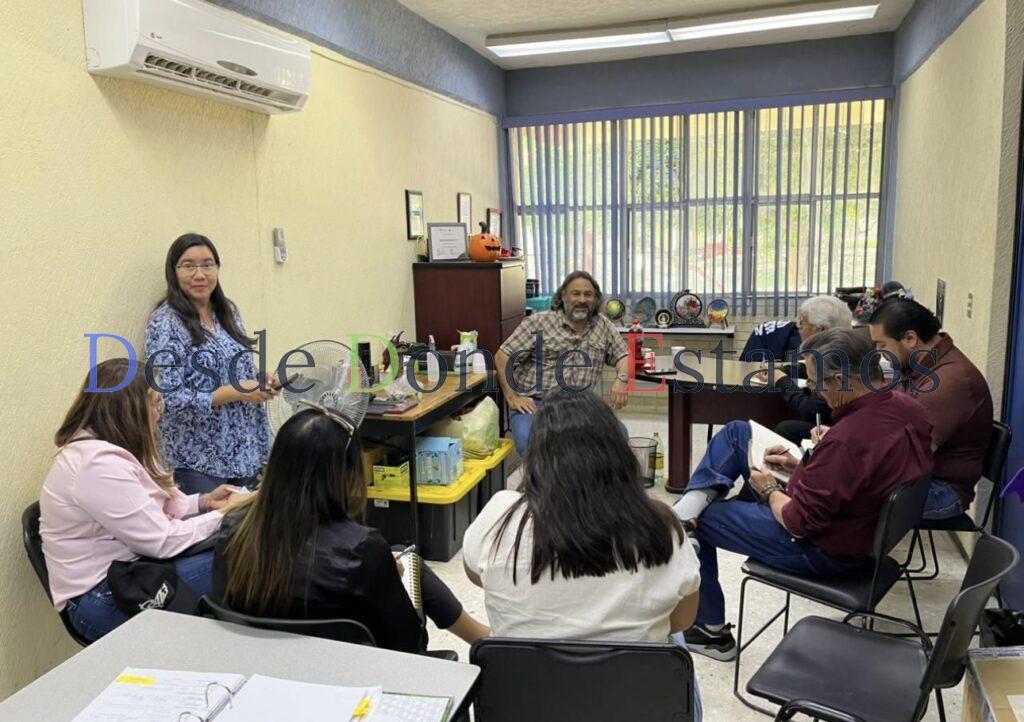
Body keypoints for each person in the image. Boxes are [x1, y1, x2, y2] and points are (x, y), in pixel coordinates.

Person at [677, 329, 933, 660]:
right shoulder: (905, 406)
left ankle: (710, 631)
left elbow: (799, 523)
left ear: (840, 378)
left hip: (822, 550)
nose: (811, 388)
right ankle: (685, 512)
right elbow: (860, 475)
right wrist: (802, 464)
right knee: (739, 432)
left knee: (704, 519)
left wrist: (769, 489)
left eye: (814, 380)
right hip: (859, 527)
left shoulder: (848, 440)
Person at [212, 407, 489, 653]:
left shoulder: (234, 528)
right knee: (409, 564)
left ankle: (479, 635)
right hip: (356, 679)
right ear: (344, 476)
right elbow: (407, 644)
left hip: (263, 669)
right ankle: (482, 637)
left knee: (404, 560)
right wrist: (388, 577)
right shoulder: (360, 550)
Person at [40, 359, 242, 642]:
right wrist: (225, 516)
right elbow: (161, 541)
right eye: (155, 402)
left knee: (242, 547)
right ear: (129, 411)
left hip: (134, 569)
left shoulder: (115, 446)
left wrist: (206, 502)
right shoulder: (95, 466)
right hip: (103, 598)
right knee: (243, 554)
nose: (161, 411)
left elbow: (155, 507)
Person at [145, 233, 277, 495]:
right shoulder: (165, 322)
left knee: (246, 533)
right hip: (197, 461)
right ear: (173, 272)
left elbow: (236, 368)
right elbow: (169, 399)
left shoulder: (227, 311)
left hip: (244, 450)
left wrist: (260, 379)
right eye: (188, 266)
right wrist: (238, 391)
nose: (199, 274)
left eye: (207, 264)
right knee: (212, 534)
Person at [868, 298, 993, 519]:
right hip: (923, 477)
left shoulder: (948, 382)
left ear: (910, 338)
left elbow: (903, 455)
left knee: (847, 495)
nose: (880, 354)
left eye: (882, 345)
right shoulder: (922, 365)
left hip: (942, 490)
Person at [495, 271, 630, 455]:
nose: (582, 299)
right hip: (537, 403)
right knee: (529, 440)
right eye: (576, 293)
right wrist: (512, 397)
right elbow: (502, 356)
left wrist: (621, 380)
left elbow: (624, 356)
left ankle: (589, 481)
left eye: (588, 294)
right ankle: (542, 483)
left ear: (595, 299)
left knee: (618, 436)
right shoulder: (538, 322)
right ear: (563, 296)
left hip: (582, 405)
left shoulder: (603, 326)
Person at [758, 295, 853, 443]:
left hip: (837, 428)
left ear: (820, 329)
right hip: (842, 421)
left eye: (803, 321)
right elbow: (806, 368)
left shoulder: (834, 357)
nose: (798, 326)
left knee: (785, 428)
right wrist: (784, 371)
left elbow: (812, 410)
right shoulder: (845, 345)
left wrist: (781, 380)